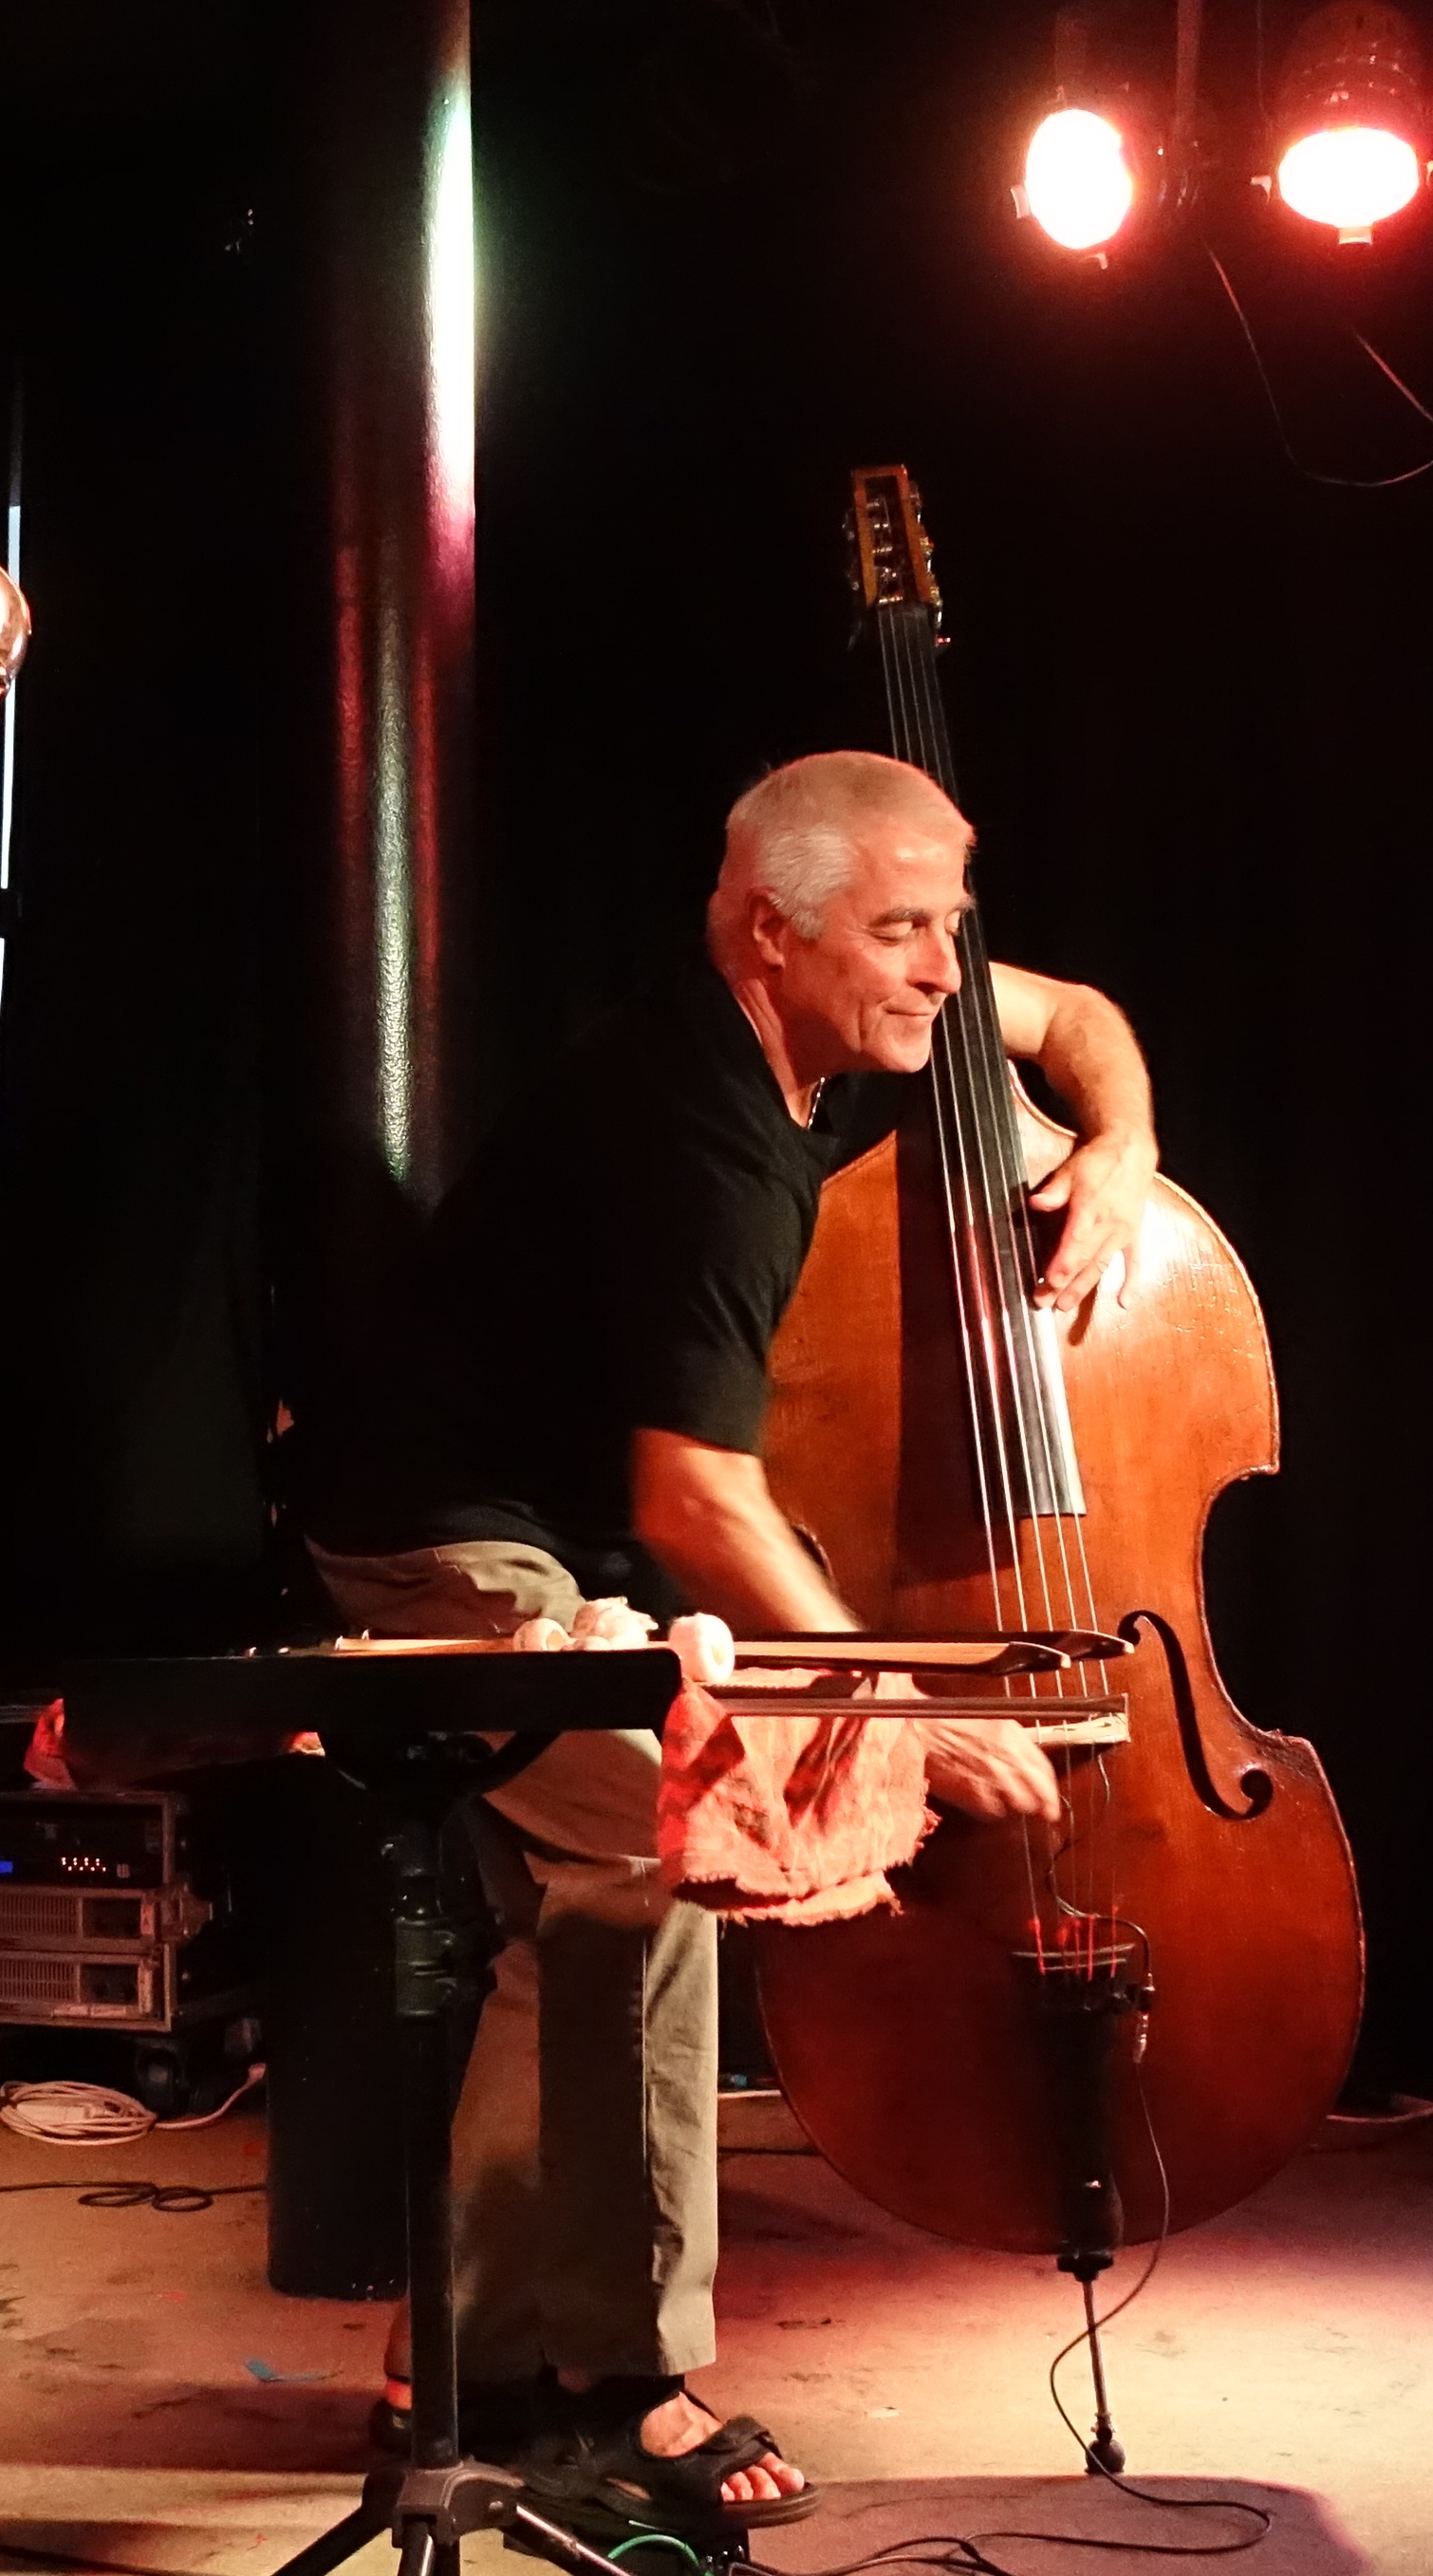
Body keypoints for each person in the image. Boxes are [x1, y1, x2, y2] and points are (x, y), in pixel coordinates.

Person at [300, 750, 1156, 2546]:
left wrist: (1121, 1141)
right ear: (773, 928)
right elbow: (699, 1501)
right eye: (901, 931)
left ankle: (441, 2352)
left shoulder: (836, 1031)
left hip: (560, 1540)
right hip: (436, 1540)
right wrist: (894, 1718)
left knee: (593, 1907)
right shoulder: (695, 1134)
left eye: (947, 928)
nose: (940, 969)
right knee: (651, 1845)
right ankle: (626, 2375)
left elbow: (1071, 1015)